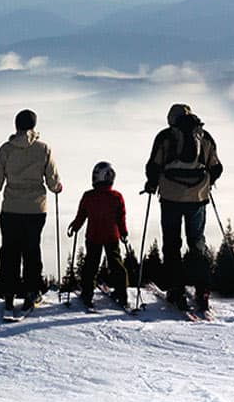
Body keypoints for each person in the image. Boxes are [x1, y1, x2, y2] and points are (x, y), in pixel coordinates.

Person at [143, 103, 223, 313]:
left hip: (170, 197)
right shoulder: (203, 136)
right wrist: (206, 183)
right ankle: (203, 289)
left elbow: (153, 165)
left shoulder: (166, 136)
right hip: (197, 197)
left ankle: (176, 290)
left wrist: (152, 183)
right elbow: (217, 167)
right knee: (197, 241)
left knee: (172, 243)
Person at [0, 109, 63, 313]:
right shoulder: (43, 148)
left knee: (10, 250)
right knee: (32, 250)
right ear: (34, 126)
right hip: (35, 209)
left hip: (11, 208)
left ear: (16, 126)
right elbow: (52, 180)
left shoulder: (6, 149)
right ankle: (32, 292)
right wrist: (57, 188)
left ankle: (9, 293)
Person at [67, 161, 130, 311]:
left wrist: (75, 227)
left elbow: (82, 215)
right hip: (111, 236)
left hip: (93, 236)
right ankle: (122, 294)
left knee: (91, 265)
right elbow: (121, 217)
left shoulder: (89, 196)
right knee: (116, 264)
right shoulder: (116, 197)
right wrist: (124, 233)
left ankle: (87, 294)